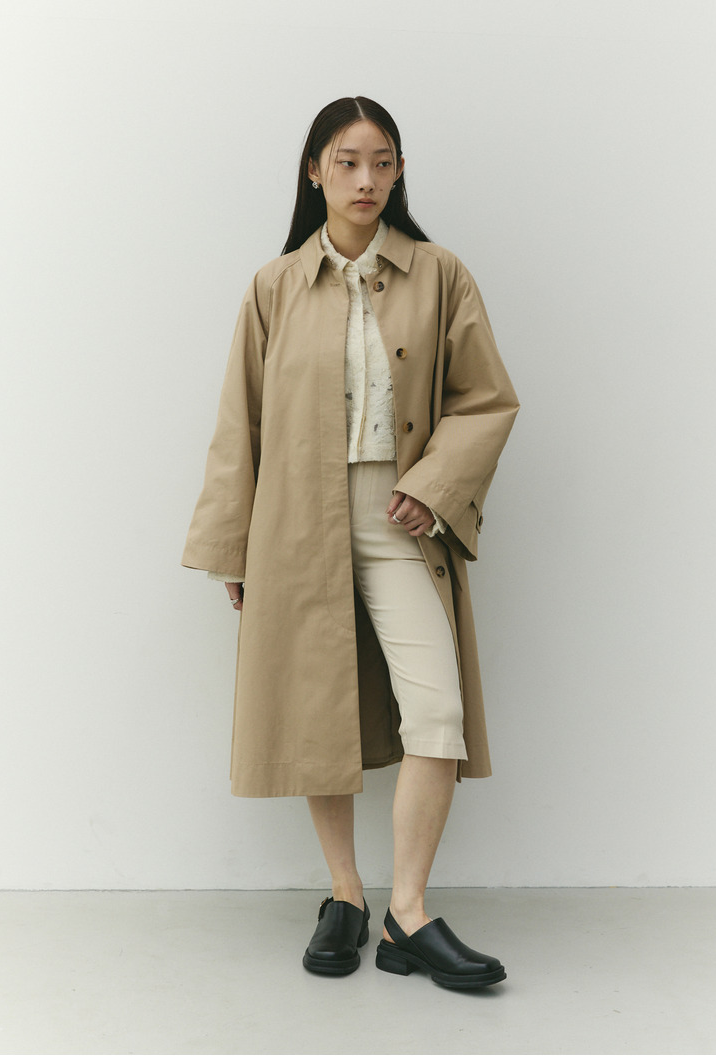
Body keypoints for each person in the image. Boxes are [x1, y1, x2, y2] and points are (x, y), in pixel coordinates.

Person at [181, 96, 520, 989]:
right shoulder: (274, 286)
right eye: (346, 161)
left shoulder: (439, 274)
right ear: (314, 171)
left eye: (382, 162)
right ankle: (344, 896)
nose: (365, 179)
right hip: (294, 522)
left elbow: (485, 401)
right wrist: (233, 550)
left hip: (399, 518)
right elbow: (240, 426)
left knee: (436, 713)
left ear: (399, 172)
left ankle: (408, 911)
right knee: (315, 714)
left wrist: (432, 487)